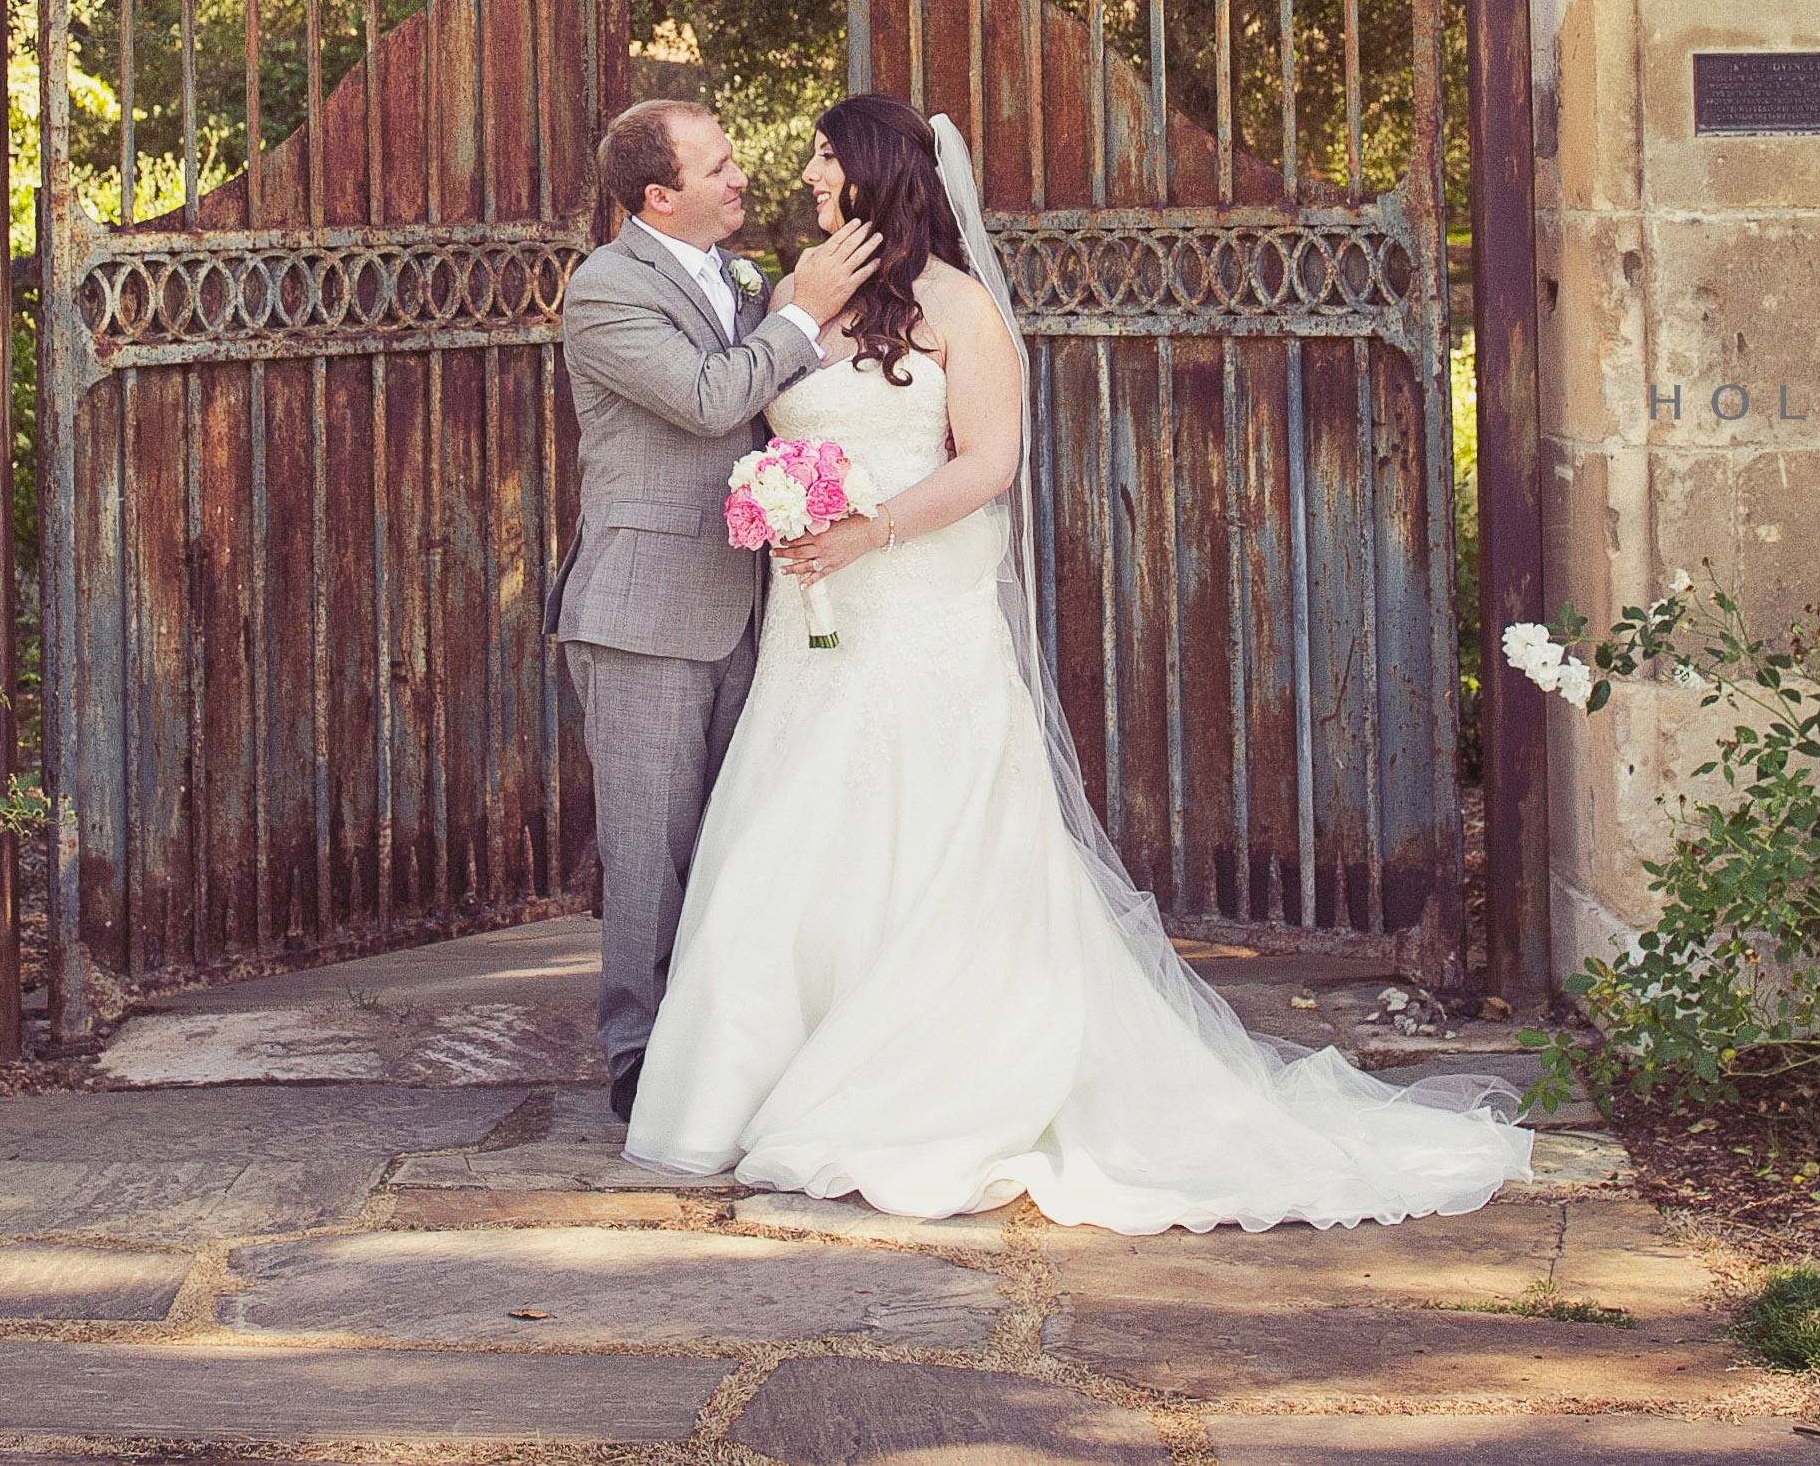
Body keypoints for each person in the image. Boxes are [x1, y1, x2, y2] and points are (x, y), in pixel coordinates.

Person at [621, 92, 1535, 1232]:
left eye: (820, 156)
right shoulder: (798, 298)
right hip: (817, 634)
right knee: (787, 834)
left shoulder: (961, 309)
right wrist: (783, 506)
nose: (804, 173)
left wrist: (865, 528)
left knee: (940, 840)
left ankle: (929, 1084)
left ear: (873, 173)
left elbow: (990, 465)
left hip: (923, 612)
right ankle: (755, 1081)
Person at [551, 98, 888, 1122]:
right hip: (643, 606)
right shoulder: (605, 291)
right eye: (720, 165)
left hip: (754, 604)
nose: (744, 175)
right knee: (647, 847)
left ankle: (727, 1038)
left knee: (740, 841)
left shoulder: (737, 277)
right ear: (660, 196)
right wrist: (800, 312)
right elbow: (707, 398)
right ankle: (638, 1057)